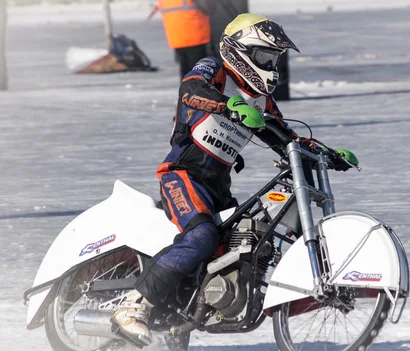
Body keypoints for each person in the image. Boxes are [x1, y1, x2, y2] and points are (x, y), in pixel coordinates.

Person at [112, 13, 358, 345]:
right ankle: (133, 307)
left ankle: (187, 313)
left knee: (241, 247)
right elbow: (190, 91)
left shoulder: (260, 99)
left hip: (218, 186)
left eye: (273, 59)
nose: (270, 66)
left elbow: (283, 136)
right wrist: (227, 105)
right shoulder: (213, 69)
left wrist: (324, 151)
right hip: (182, 175)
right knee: (200, 238)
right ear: (239, 50)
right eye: (263, 57)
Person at [156, 0, 215, 80]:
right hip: (196, 35)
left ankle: (187, 91)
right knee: (199, 73)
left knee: (186, 72)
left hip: (176, 37)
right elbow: (208, 7)